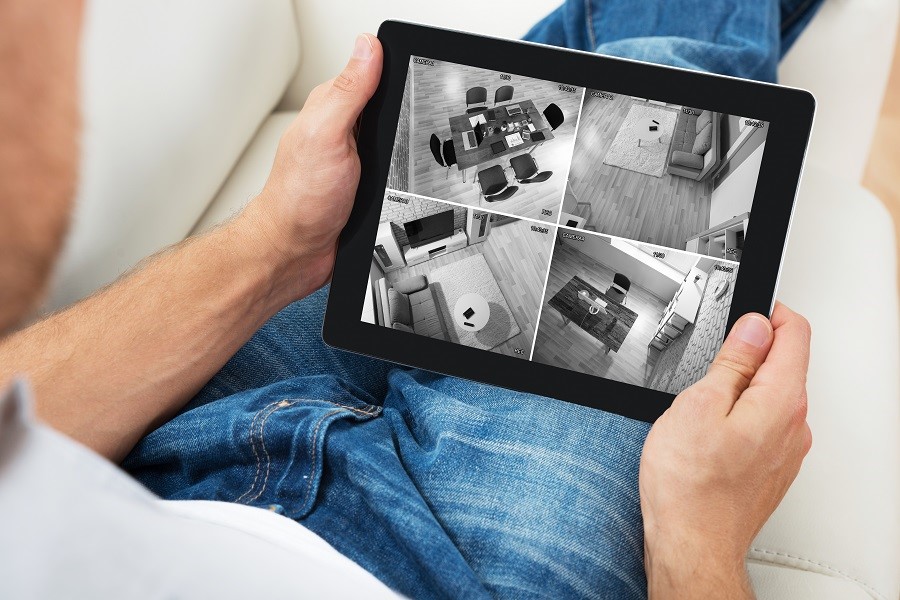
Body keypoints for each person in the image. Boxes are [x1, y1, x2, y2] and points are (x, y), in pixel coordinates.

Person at [0, 0, 819, 598]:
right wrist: (698, 540)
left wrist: (273, 246)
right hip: (466, 575)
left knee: (576, 97)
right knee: (668, 79)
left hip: (155, 463)